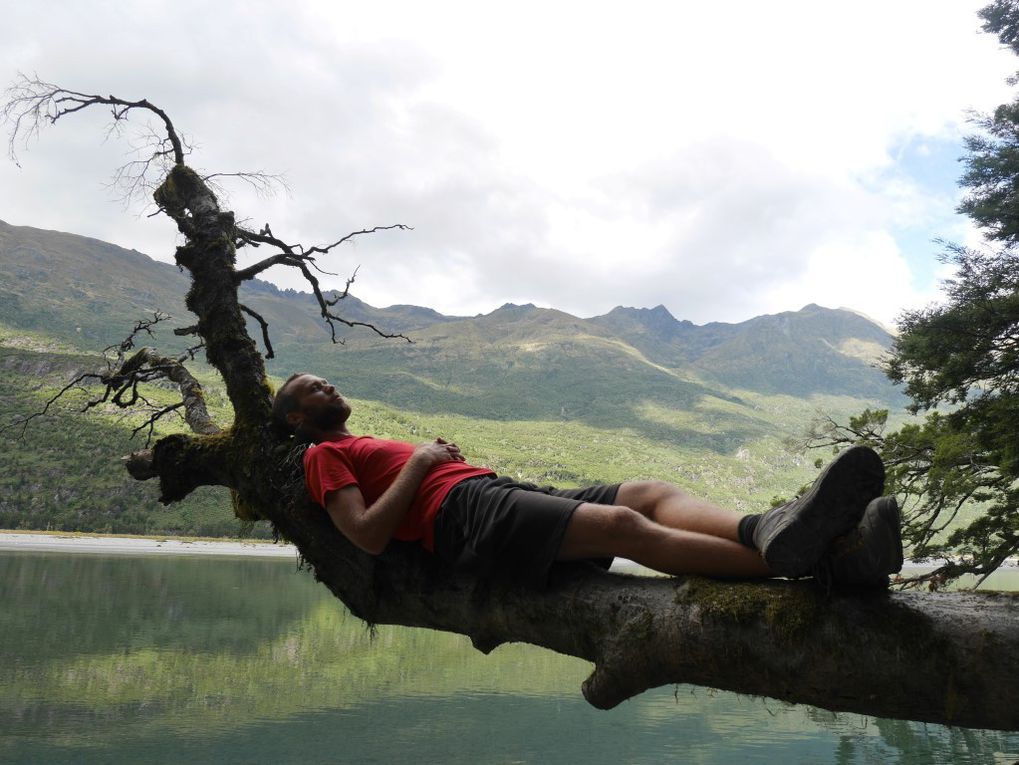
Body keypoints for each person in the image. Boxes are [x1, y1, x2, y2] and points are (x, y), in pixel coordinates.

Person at [273, 373, 903, 588]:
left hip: (491, 490)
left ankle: (765, 528)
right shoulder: (320, 457)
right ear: (298, 418)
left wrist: (432, 459)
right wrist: (420, 462)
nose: (325, 386)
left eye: (323, 379)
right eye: (309, 390)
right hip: (461, 519)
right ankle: (822, 565)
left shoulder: (354, 441)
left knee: (647, 492)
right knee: (624, 527)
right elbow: (365, 536)